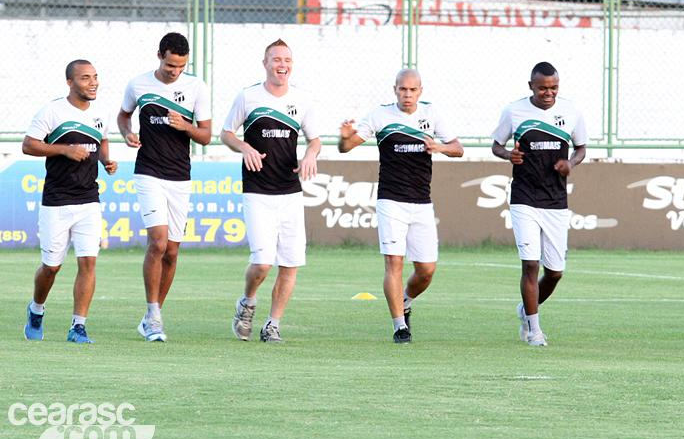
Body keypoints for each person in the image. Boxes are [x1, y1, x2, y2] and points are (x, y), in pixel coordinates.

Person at [338, 68, 463, 344]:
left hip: (421, 202)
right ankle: (399, 327)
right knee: (394, 262)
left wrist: (439, 148)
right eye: (402, 89)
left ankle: (405, 300)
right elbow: (345, 148)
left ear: (421, 91)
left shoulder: (431, 114)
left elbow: (458, 147)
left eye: (413, 90)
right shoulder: (379, 115)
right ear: (394, 89)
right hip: (391, 200)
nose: (407, 95)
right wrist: (345, 137)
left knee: (426, 271)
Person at [223, 39, 320, 344]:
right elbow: (226, 133)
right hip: (257, 191)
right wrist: (244, 146)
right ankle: (247, 302)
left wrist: (309, 155)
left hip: (290, 191)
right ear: (265, 63)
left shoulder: (302, 99)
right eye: (276, 59)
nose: (282, 65)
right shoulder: (248, 96)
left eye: (287, 60)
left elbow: (314, 140)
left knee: (290, 263)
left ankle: (272, 325)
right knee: (263, 262)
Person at [118, 32, 212, 342]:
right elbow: (123, 116)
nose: (175, 72)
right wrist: (127, 133)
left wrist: (185, 126)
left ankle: (151, 315)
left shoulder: (197, 87)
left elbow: (206, 136)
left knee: (172, 251)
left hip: (180, 176)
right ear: (159, 55)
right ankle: (154, 316)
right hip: (148, 171)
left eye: (181, 67)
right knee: (157, 243)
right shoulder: (139, 84)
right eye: (171, 65)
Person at [490, 61, 587, 347]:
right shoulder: (514, 110)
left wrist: (570, 162)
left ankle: (526, 310)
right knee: (530, 265)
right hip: (524, 198)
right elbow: (496, 144)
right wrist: (508, 155)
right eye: (543, 88)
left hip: (556, 200)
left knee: (555, 272)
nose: (549, 93)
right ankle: (534, 329)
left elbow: (581, 148)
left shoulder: (570, 111)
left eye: (554, 87)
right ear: (531, 86)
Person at [22, 60, 117, 344]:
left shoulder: (102, 112)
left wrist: (106, 161)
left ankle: (78, 326)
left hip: (89, 199)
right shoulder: (52, 111)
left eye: (96, 77)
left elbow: (101, 142)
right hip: (57, 201)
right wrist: (64, 149)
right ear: (70, 83)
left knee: (88, 262)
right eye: (86, 78)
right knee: (51, 267)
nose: (93, 82)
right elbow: (28, 145)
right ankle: (36, 310)